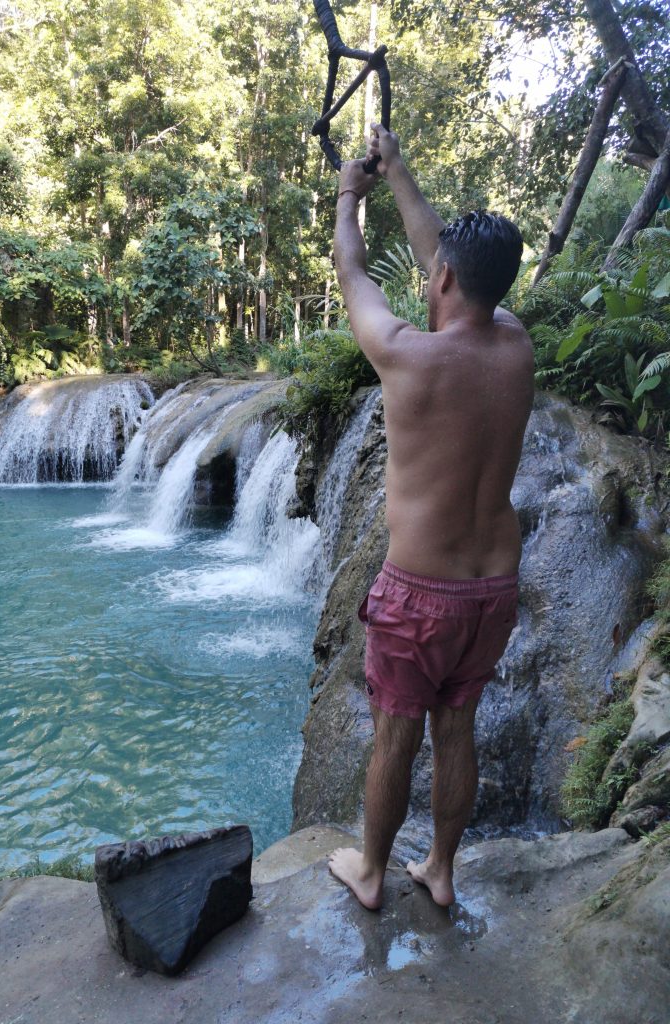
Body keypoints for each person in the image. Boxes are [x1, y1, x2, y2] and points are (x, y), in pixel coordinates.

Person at [327, 124, 535, 911]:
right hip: (494, 589)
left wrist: (353, 194)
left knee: (395, 734)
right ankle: (442, 872)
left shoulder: (405, 354)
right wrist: (402, 174)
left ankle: (374, 873)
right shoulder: (516, 345)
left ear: (443, 275)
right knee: (458, 726)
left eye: (436, 268)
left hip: (420, 591)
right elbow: (444, 264)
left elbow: (354, 271)